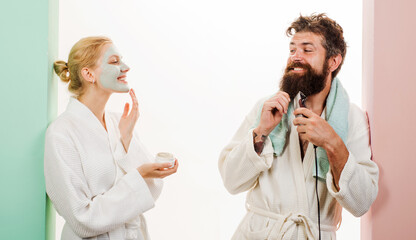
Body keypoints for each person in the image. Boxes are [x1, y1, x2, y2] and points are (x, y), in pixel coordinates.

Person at [218, 14, 379, 240]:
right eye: (292, 49)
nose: (296, 57)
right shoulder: (267, 110)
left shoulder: (353, 119)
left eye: (307, 50)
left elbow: (361, 202)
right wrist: (261, 132)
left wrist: (333, 143)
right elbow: (231, 182)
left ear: (333, 61)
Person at [44, 36, 178, 240]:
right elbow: (82, 219)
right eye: (115, 61)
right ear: (88, 74)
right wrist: (138, 176)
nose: (126, 67)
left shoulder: (119, 123)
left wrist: (127, 139)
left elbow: (151, 191)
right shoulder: (61, 133)